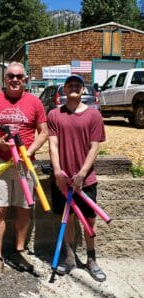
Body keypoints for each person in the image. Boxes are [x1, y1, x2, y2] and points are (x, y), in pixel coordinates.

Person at [0, 61, 48, 280]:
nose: (15, 80)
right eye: (11, 76)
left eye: (19, 76)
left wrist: (30, 151)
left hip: (25, 165)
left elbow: (43, 132)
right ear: (5, 78)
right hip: (1, 164)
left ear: (25, 79)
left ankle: (19, 252)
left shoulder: (35, 102)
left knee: (23, 210)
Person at [48, 74, 106, 282]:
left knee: (89, 220)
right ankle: (70, 257)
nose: (73, 87)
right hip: (62, 179)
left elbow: (95, 146)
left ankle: (91, 259)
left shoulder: (94, 116)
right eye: (69, 85)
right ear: (64, 90)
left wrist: (82, 174)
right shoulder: (54, 115)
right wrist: (56, 171)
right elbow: (53, 144)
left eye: (77, 85)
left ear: (83, 90)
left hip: (86, 179)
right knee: (68, 218)